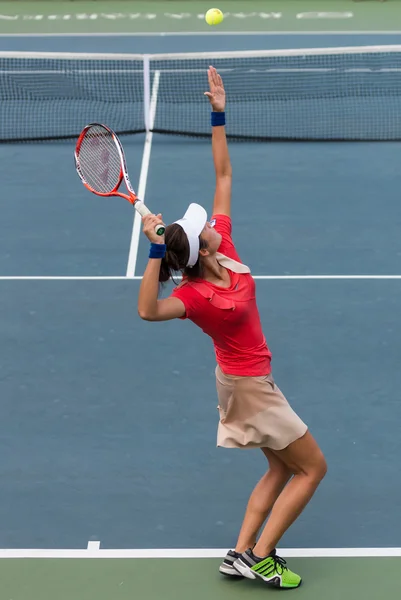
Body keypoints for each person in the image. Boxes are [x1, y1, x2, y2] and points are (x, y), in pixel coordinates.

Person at [137, 66, 327, 589]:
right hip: (248, 387)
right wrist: (156, 249)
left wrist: (218, 113)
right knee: (313, 468)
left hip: (246, 380)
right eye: (203, 230)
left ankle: (238, 553)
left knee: (279, 467)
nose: (212, 225)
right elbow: (148, 311)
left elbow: (222, 176)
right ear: (202, 250)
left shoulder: (222, 245)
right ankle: (263, 556)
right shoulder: (196, 296)